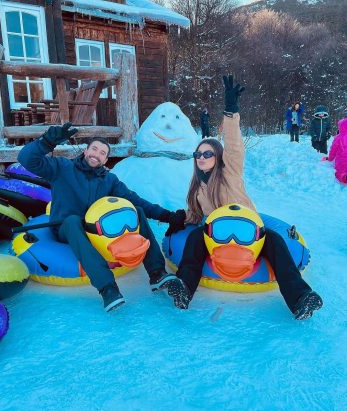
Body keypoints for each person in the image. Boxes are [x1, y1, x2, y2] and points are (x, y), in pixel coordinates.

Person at [164, 75, 323, 320]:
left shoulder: (230, 171)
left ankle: (301, 298)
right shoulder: (197, 188)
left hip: (248, 232)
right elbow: (196, 216)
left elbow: (234, 143)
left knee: (276, 243)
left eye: (208, 153)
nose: (202, 157)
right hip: (217, 236)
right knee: (195, 238)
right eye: (198, 153)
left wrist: (230, 112)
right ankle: (184, 289)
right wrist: (180, 219)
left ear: (218, 156)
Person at [18, 128, 182, 312]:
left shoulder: (109, 180)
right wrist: (47, 142)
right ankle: (108, 289)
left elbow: (134, 199)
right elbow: (26, 160)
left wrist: (168, 216)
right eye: (94, 149)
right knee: (72, 221)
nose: (97, 154)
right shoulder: (62, 168)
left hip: (95, 230)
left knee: (136, 210)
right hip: (65, 227)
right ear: (85, 151)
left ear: (105, 161)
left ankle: (157, 273)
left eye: (103, 153)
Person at [327, 118, 347, 183]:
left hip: (341, 159)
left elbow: (333, 150)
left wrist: (330, 158)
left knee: (341, 169)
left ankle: (344, 176)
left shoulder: (338, 137)